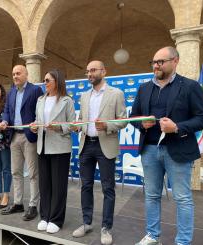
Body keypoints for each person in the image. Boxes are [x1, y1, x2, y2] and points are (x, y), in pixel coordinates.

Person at [131, 46, 203, 245]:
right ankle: (153, 236)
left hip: (178, 150)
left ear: (175, 61)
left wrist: (177, 127)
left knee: (182, 198)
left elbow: (202, 118)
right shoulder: (144, 88)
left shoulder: (190, 86)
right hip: (149, 149)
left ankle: (182, 241)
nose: (156, 65)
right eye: (154, 62)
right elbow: (133, 117)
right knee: (152, 195)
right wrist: (141, 123)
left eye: (160, 62)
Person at [72, 61, 127, 245]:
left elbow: (123, 120)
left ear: (104, 71)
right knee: (85, 186)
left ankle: (106, 228)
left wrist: (107, 125)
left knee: (108, 189)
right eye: (87, 71)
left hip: (106, 145)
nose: (89, 74)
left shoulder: (116, 93)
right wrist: (77, 126)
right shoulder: (84, 95)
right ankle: (87, 223)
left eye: (93, 70)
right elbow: (81, 119)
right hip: (86, 144)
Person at [30, 69, 75, 233]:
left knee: (58, 185)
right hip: (42, 147)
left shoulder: (66, 101)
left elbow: (73, 125)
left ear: (57, 81)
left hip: (60, 148)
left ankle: (56, 219)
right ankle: (45, 216)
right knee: (45, 184)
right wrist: (34, 127)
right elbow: (37, 120)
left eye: (48, 80)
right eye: (44, 80)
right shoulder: (40, 100)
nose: (45, 83)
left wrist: (58, 127)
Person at [0, 65, 43, 221]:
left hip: (29, 136)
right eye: (13, 74)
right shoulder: (11, 92)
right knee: (16, 172)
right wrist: (4, 120)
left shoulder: (35, 90)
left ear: (26, 74)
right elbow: (7, 111)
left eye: (18, 73)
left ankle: (32, 205)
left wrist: (37, 123)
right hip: (14, 136)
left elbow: (41, 110)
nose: (15, 76)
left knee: (32, 173)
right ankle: (18, 203)